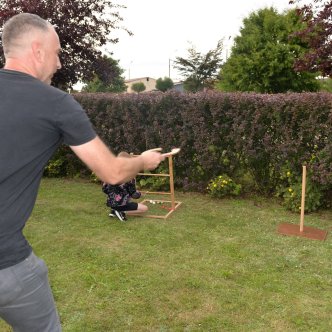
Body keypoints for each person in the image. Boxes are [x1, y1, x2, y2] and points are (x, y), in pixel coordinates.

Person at [0, 13, 164, 332]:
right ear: (37, 50)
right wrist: (143, 160)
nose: (60, 63)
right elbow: (113, 172)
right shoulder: (56, 103)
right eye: (57, 52)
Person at [102, 152, 148, 221]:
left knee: (124, 195)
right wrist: (141, 194)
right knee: (144, 208)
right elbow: (134, 195)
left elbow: (104, 189)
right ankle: (120, 211)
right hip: (120, 204)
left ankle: (114, 209)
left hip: (111, 202)